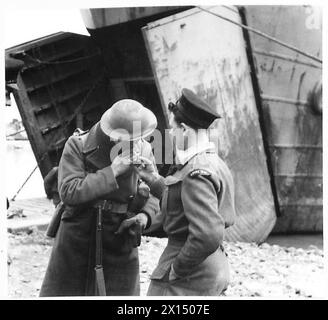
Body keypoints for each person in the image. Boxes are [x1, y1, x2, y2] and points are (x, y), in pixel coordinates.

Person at [40, 99, 160, 296]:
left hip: (120, 233)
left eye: (139, 137)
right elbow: (69, 191)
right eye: (131, 138)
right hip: (78, 231)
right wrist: (112, 171)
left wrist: (145, 217)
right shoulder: (78, 144)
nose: (137, 143)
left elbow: (154, 193)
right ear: (114, 137)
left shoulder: (145, 149)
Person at [135, 88, 236, 296]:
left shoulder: (195, 172)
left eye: (173, 129)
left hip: (190, 271)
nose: (170, 134)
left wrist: (177, 268)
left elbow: (207, 235)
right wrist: (154, 179)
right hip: (213, 266)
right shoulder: (213, 163)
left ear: (186, 131)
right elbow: (183, 202)